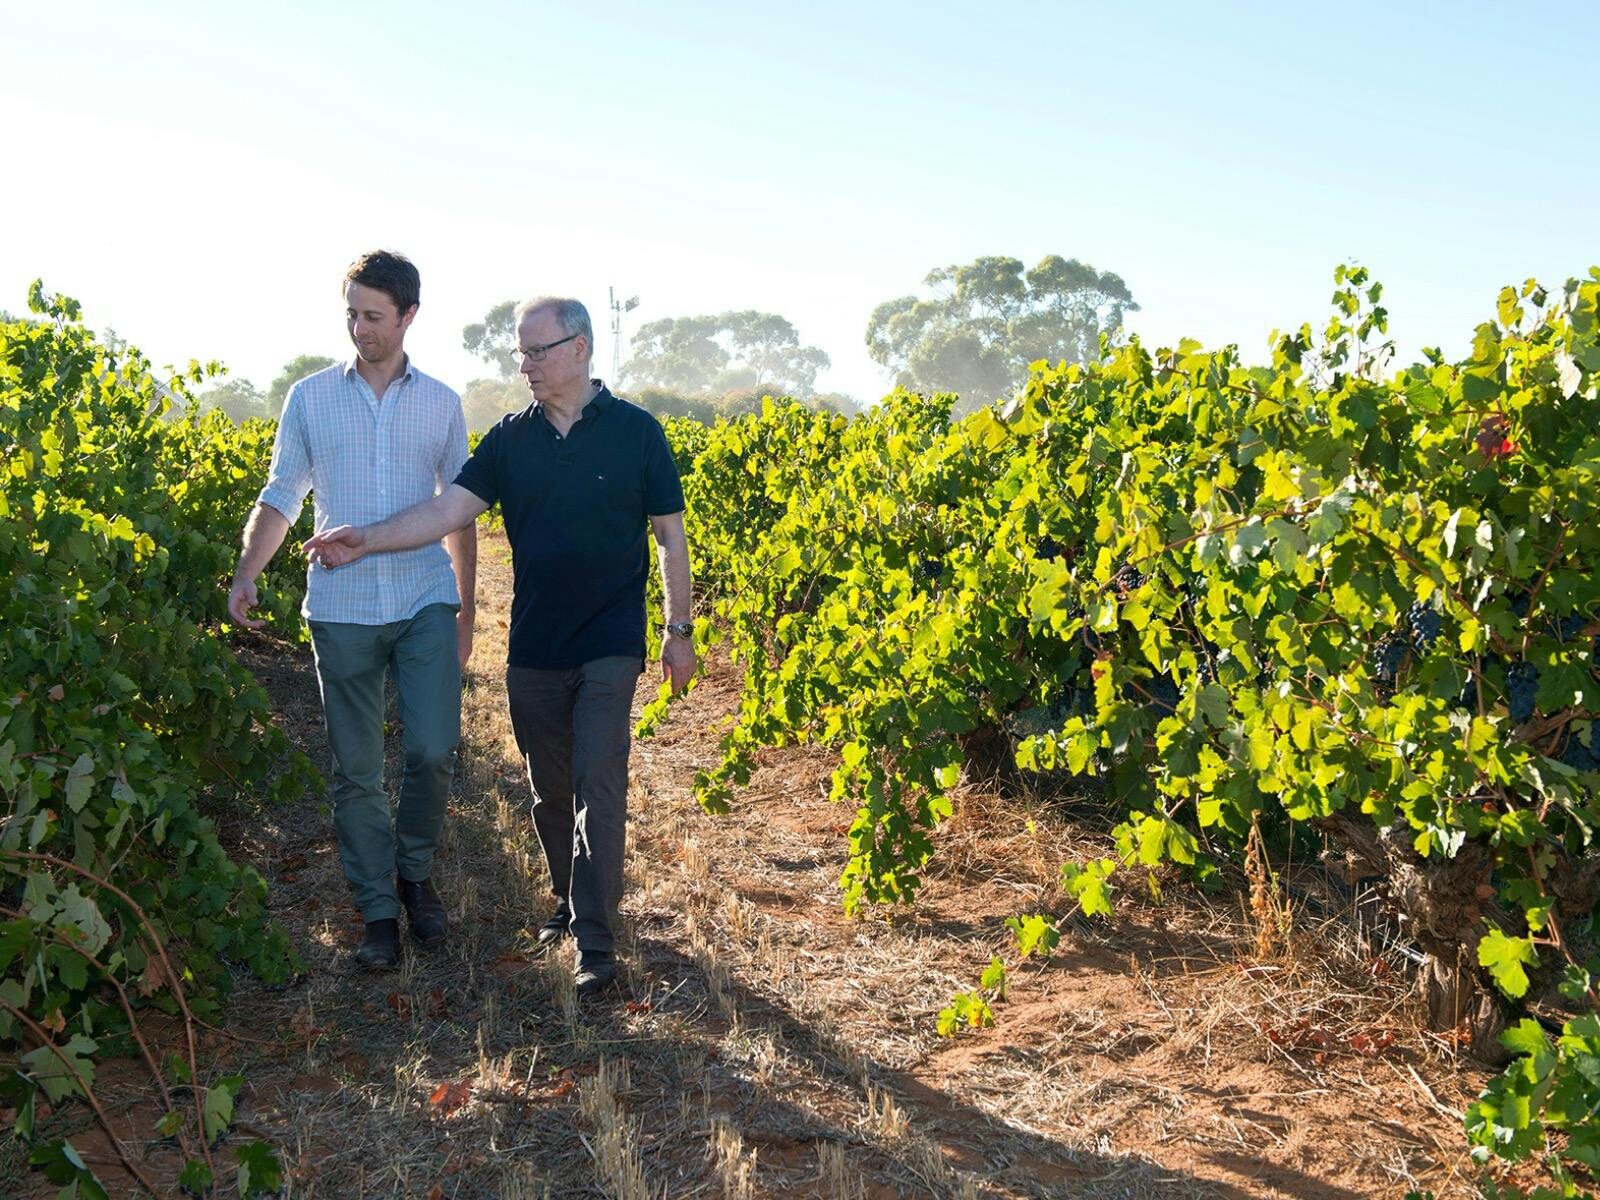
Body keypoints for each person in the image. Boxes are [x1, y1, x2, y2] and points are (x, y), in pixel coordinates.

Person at [303, 296, 693, 997]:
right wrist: (368, 538)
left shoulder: (638, 434)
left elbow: (670, 537)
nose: (525, 366)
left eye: (538, 352)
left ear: (579, 349)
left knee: (597, 785)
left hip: (610, 643)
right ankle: (564, 901)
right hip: (534, 648)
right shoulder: (510, 440)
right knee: (550, 790)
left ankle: (595, 945)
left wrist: (678, 630)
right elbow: (448, 510)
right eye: (521, 352)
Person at [228, 250, 476, 970]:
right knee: (358, 770)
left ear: (408, 317)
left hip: (424, 598)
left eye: (373, 315)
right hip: (340, 610)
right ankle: (377, 911)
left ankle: (416, 875)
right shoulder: (309, 398)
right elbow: (282, 494)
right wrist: (248, 572)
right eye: (352, 314)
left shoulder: (441, 404)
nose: (358, 328)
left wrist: (465, 609)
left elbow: (459, 512)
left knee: (432, 750)